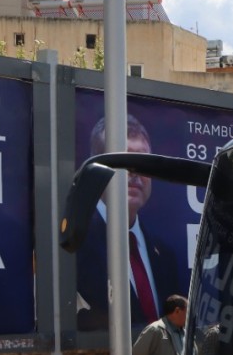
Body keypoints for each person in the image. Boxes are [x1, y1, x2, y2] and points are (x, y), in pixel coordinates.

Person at [76, 114, 183, 333]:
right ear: (96, 170)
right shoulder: (74, 245)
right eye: (124, 161)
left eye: (143, 161)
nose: (134, 172)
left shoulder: (165, 254)